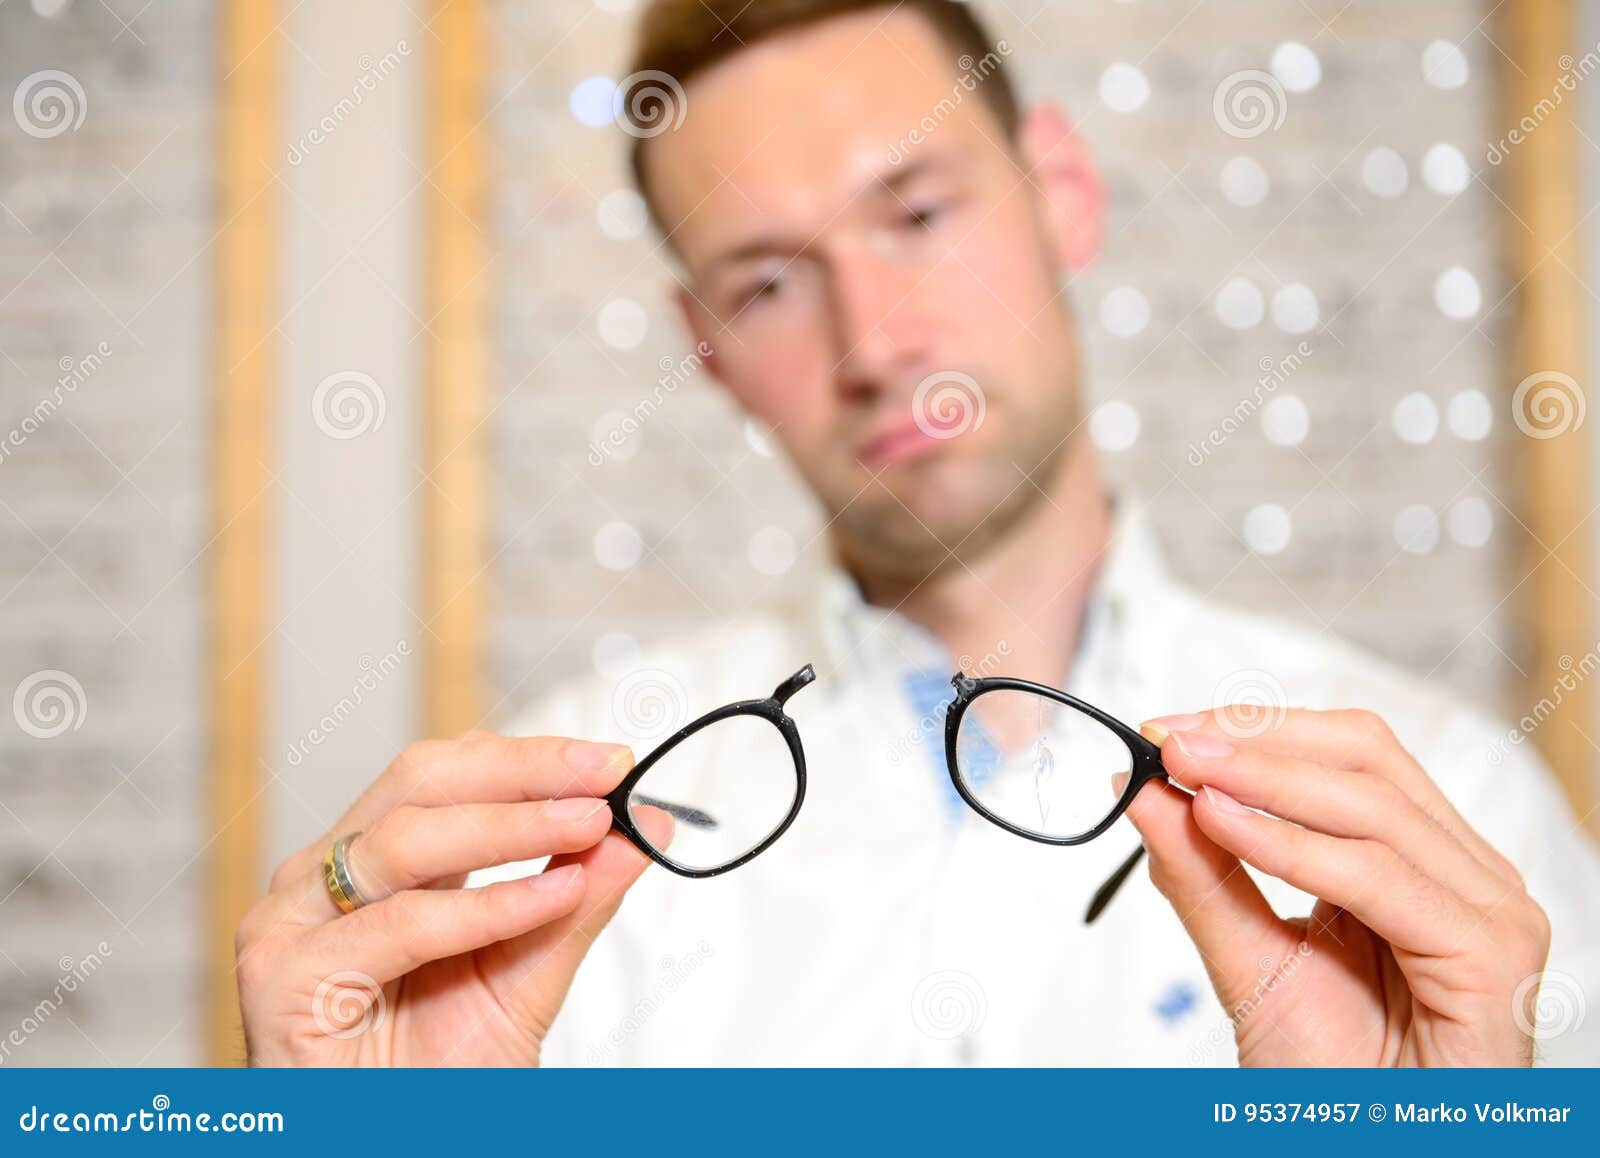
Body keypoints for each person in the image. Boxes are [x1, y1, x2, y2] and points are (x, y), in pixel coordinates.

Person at [236, 0, 1600, 1066]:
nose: (877, 344)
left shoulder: (1450, 829)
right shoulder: (534, 864)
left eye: (918, 215)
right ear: (705, 348)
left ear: (1059, 186)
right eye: (768, 281)